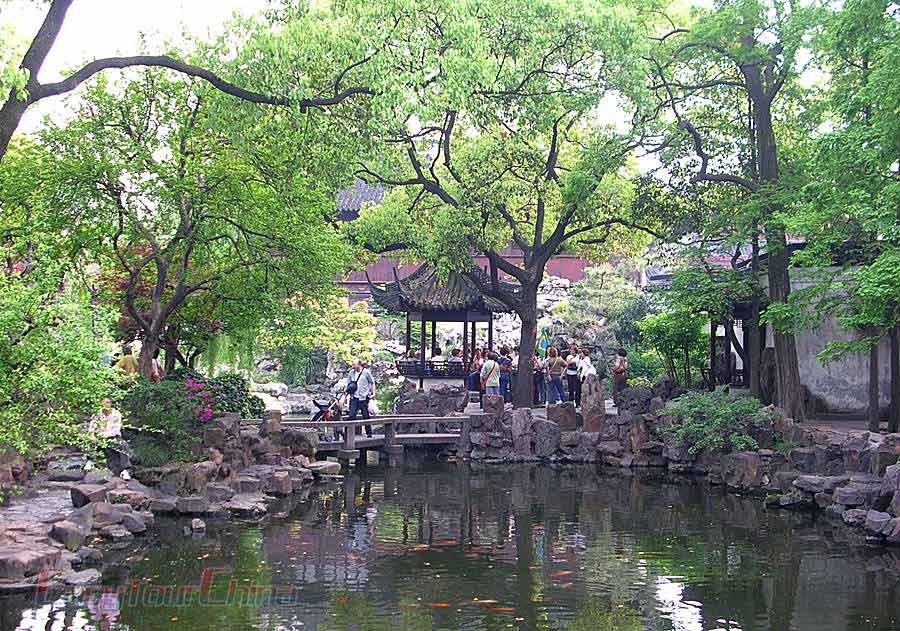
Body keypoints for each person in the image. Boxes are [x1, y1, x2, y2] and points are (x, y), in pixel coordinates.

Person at [346, 359, 376, 437]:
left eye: (354, 364)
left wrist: (373, 393)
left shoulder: (366, 372)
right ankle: (349, 435)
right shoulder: (351, 373)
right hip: (354, 397)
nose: (352, 366)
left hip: (364, 397)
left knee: (366, 416)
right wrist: (346, 395)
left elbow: (372, 383)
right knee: (351, 415)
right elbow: (348, 384)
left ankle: (369, 434)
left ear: (359, 365)